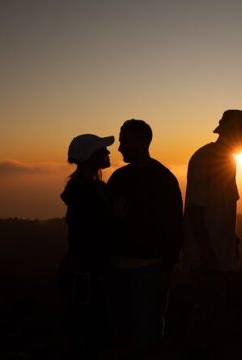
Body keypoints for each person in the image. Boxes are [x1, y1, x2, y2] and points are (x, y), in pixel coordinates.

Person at [182, 109, 242, 359]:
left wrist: (231, 238)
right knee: (206, 324)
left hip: (217, 257)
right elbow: (195, 209)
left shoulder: (227, 159)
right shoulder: (206, 158)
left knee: (213, 323)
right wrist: (207, 253)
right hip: (207, 261)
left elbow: (220, 207)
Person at [107, 119, 184, 359]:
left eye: (125, 141)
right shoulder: (119, 178)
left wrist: (168, 267)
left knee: (147, 334)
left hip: (149, 269)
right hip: (119, 267)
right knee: (125, 333)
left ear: (143, 142)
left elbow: (174, 226)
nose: (119, 148)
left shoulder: (163, 180)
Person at [59, 133, 115, 359]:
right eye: (102, 150)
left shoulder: (90, 188)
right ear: (90, 157)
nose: (108, 153)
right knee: (88, 335)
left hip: (85, 273)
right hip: (84, 275)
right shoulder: (84, 194)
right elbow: (92, 234)